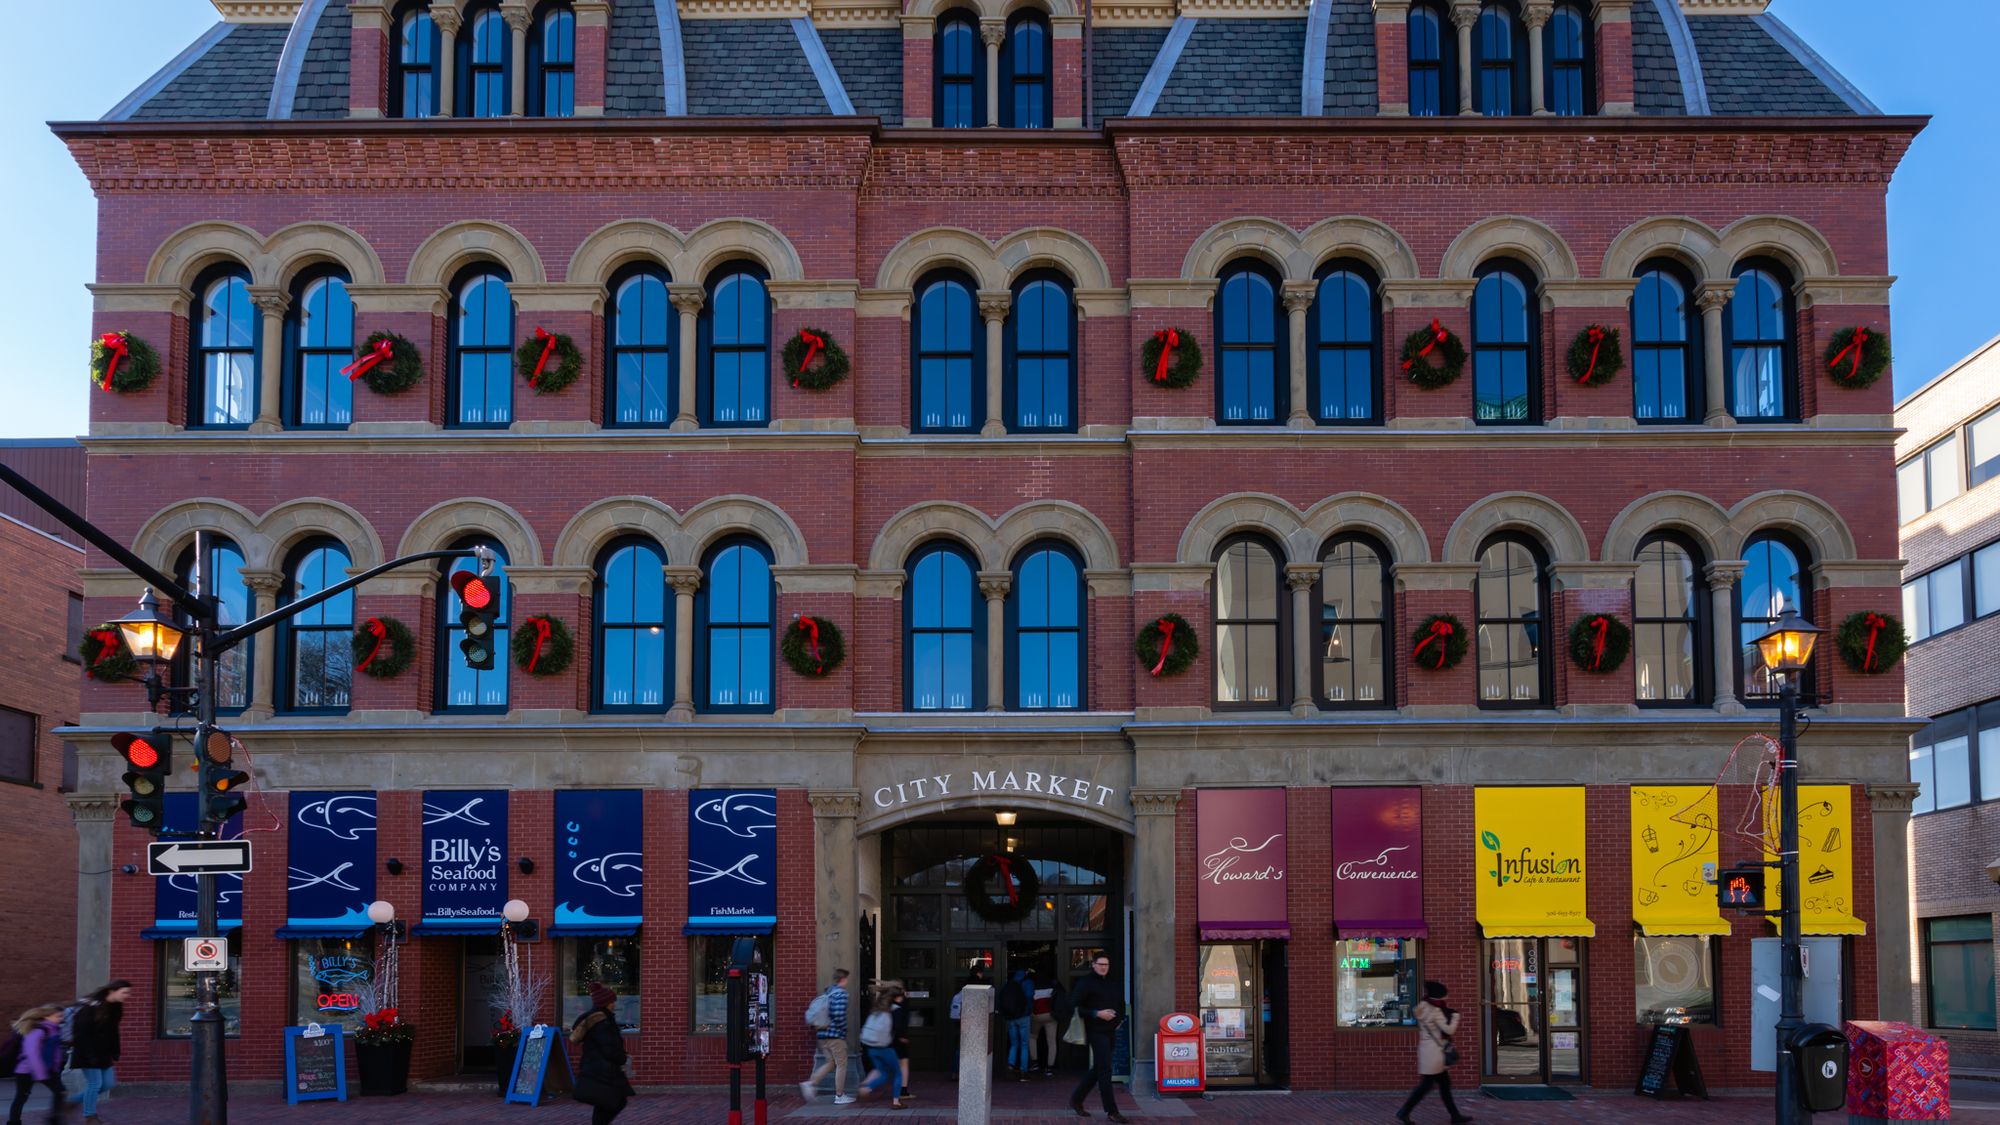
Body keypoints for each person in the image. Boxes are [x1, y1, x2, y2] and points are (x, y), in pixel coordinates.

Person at [1397, 981, 1471, 1124]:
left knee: (1442, 1084)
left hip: (1427, 1049)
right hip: (1435, 1052)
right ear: (1440, 995)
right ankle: (1404, 1111)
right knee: (1427, 1086)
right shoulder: (1436, 1011)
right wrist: (1455, 1017)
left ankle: (1455, 1116)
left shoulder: (1423, 1006)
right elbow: (1449, 1030)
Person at [1066, 956, 1126, 1123]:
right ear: (1093, 965)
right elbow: (1073, 1005)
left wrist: (1119, 1020)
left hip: (1111, 1030)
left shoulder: (1113, 982)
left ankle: (1076, 1099)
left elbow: (1120, 1003)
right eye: (1100, 964)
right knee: (1105, 1070)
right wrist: (1097, 1013)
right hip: (1095, 1031)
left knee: (1099, 1067)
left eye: (1106, 964)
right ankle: (1112, 1111)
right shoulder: (1085, 983)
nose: (1103, 967)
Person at [570, 983, 635, 1125]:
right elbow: (609, 1046)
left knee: (605, 1103)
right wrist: (622, 1058)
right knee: (615, 1101)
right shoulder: (601, 1022)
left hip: (598, 1068)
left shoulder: (598, 1019)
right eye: (612, 1001)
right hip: (603, 1070)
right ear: (605, 1003)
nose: (614, 1004)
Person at [66, 982, 128, 1124]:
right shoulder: (90, 1008)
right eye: (124, 992)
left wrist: (115, 1050)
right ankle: (90, 1117)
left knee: (107, 1084)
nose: (127, 996)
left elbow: (113, 1031)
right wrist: (90, 1055)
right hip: (88, 1053)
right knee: (94, 1084)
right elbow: (82, 1034)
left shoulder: (115, 1007)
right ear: (112, 991)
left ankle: (71, 1102)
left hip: (104, 1053)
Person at [800, 969, 854, 1105]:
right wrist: (842, 1030)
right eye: (846, 979)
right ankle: (840, 1095)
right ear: (843, 979)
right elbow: (839, 1015)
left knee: (831, 1062)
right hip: (834, 1035)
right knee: (841, 1064)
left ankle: (811, 1083)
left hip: (822, 1034)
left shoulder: (828, 992)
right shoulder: (841, 994)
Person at [7, 1005, 65, 1125]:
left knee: (60, 1092)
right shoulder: (38, 1030)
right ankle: (14, 1122)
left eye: (62, 1016)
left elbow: (55, 1051)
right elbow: (32, 1053)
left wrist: (56, 1066)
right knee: (21, 1097)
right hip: (26, 1070)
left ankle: (54, 1120)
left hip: (47, 1069)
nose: (61, 1018)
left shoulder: (55, 1029)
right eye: (58, 1016)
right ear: (46, 1016)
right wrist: (40, 1074)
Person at [856, 982, 905, 1110]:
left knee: (883, 1073)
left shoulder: (877, 1009)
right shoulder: (895, 1010)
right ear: (895, 997)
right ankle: (896, 1102)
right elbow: (897, 1029)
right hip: (886, 1048)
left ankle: (867, 1087)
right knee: (898, 1073)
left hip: (871, 1047)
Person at [947, 965, 991, 1079]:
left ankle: (955, 1072)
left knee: (960, 1048)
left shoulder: (964, 985)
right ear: (979, 973)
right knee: (978, 1048)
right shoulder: (982, 985)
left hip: (962, 1021)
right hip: (977, 1021)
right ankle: (975, 1072)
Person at [1000, 967, 1034, 1080]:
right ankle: (1023, 1071)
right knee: (1024, 1044)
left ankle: (1011, 1064)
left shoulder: (1009, 983)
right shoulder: (1028, 982)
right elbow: (1030, 998)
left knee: (1014, 1043)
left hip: (1011, 1018)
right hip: (1024, 1017)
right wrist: (1028, 1010)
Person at [1030, 978, 1061, 1075]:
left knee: (1032, 1037)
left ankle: (1034, 1063)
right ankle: (1049, 1068)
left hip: (1036, 1016)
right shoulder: (1053, 987)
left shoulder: (1033, 988)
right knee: (1052, 1042)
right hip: (1051, 1016)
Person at [890, 984, 915, 1101]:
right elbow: (899, 1025)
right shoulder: (899, 1008)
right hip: (898, 1040)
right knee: (903, 1065)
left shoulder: (888, 1006)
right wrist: (902, 1037)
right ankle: (902, 1090)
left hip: (889, 1040)